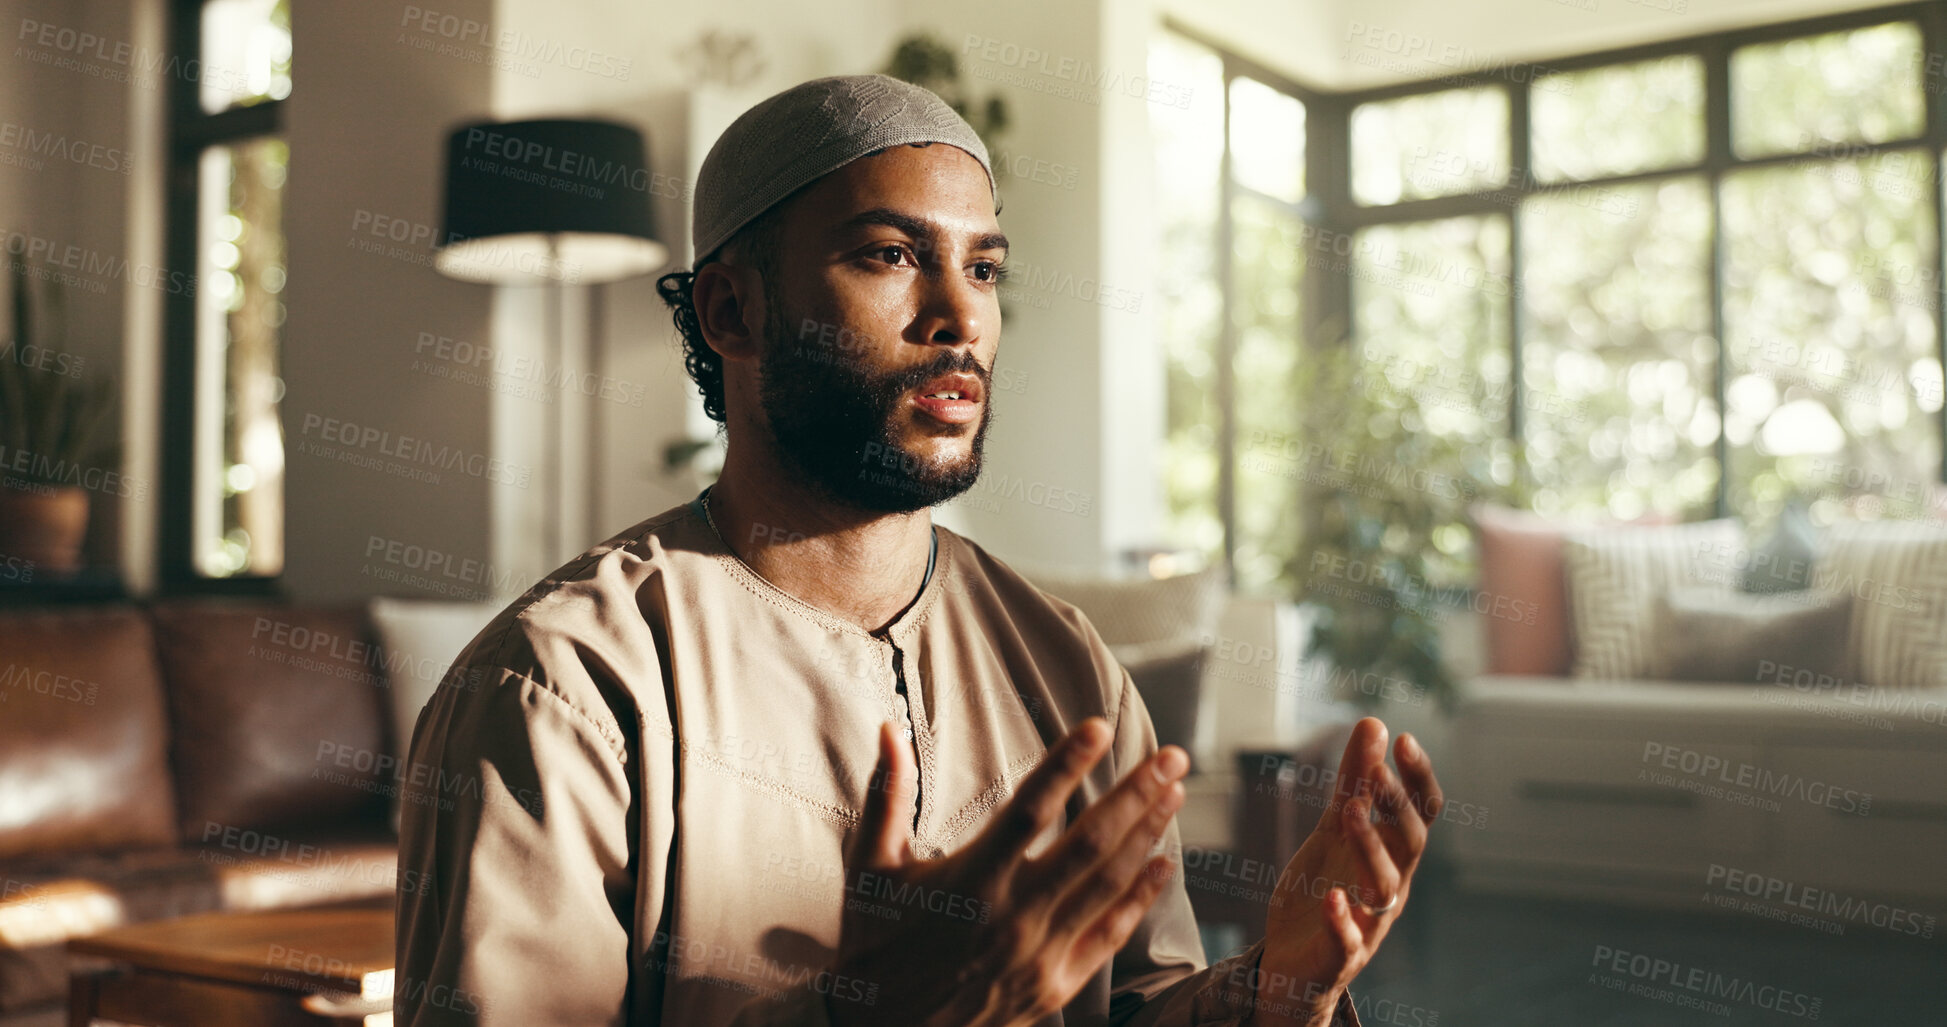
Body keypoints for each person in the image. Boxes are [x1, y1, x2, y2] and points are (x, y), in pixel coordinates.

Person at [395, 73, 1444, 1027]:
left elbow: (1138, 1006)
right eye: (890, 255)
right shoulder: (560, 690)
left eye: (982, 268)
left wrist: (1273, 988)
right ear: (731, 308)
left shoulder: (1069, 670)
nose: (957, 318)